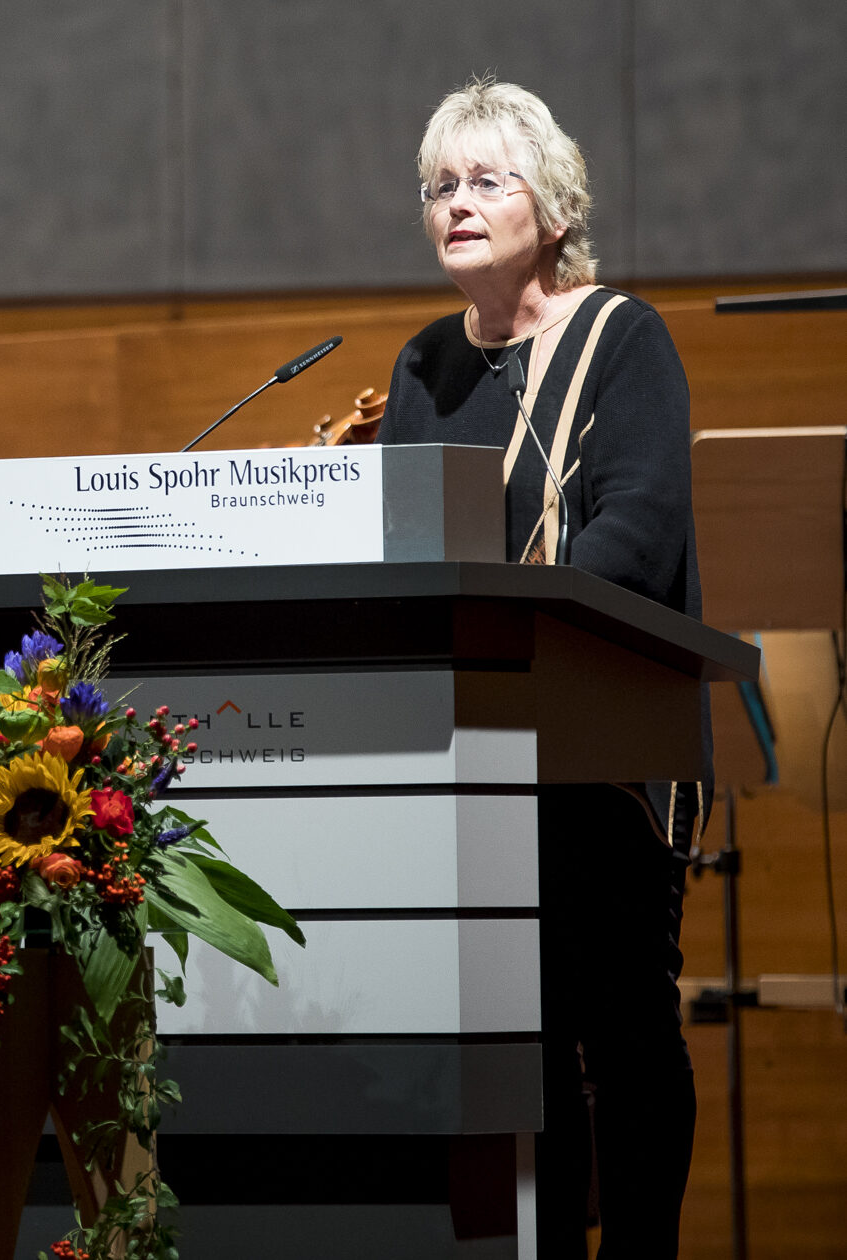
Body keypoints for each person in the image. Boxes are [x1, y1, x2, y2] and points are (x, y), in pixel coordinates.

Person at [380, 79, 708, 1258]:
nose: (455, 204)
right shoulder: (422, 368)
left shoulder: (622, 337)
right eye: (437, 187)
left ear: (554, 205)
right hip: (474, 742)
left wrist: (514, 633)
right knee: (519, 1034)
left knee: (619, 1026)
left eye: (483, 180)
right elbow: (405, 551)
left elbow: (642, 530)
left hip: (604, 733)